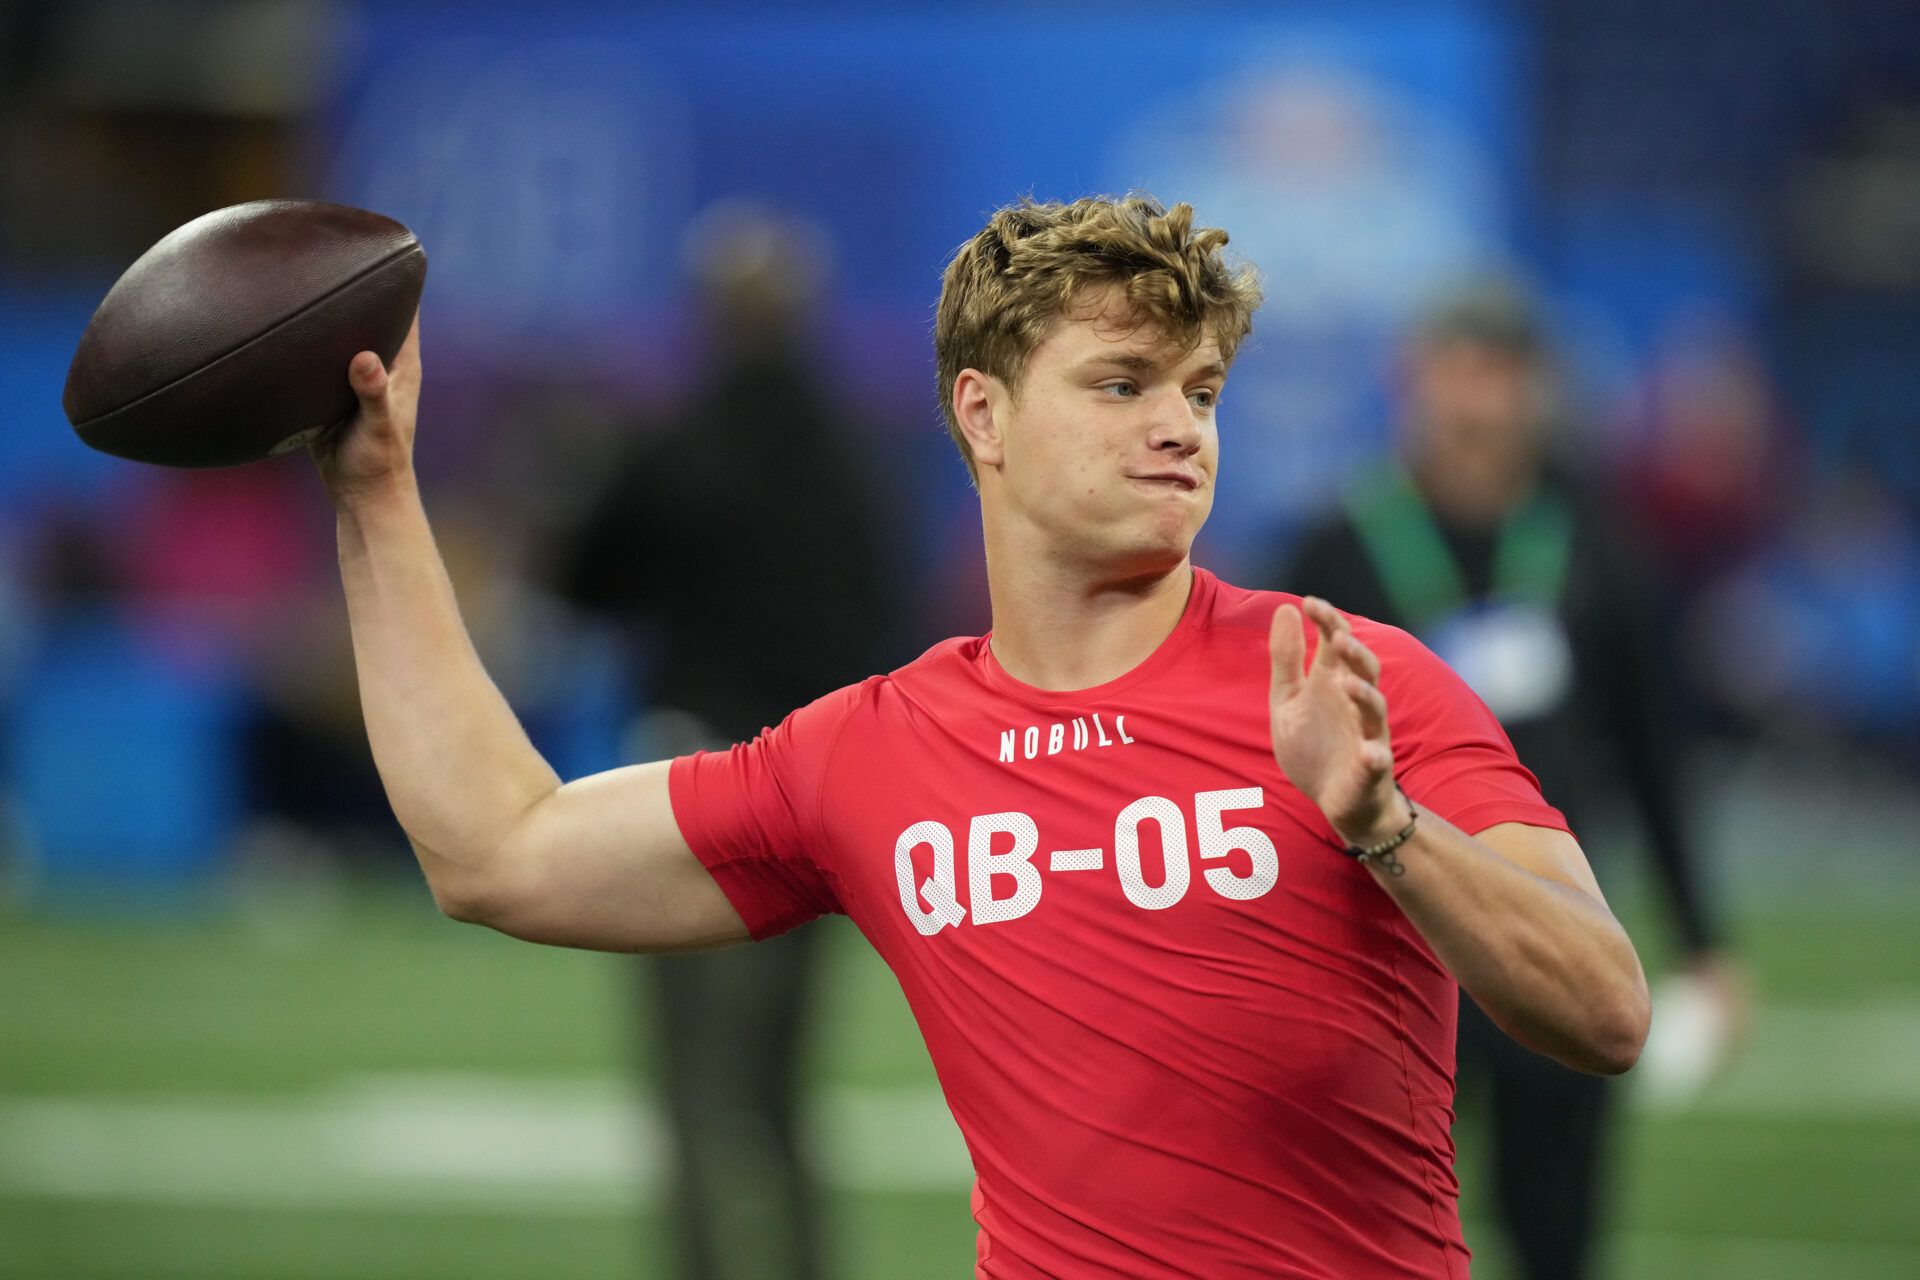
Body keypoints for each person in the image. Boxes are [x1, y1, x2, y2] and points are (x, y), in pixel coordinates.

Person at [312, 195, 1649, 1279]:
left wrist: (1385, 829)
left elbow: (1603, 1008)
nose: (1180, 426)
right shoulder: (873, 752)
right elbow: (499, 849)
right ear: (982, 413)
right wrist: (376, 494)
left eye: (1202, 389)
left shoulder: (1351, 681)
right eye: (1121, 384)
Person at [1272, 281, 1743, 1279]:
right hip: (1383, 939)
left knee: (1557, 1229)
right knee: (1362, 1232)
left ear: (1540, 388)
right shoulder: (1337, 542)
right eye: (1455, 371)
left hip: (1542, 914)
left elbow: (1654, 749)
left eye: (1500, 374)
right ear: (1408, 383)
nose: (1476, 401)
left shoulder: (1599, 539)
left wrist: (1703, 938)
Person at [555, 203, 899, 1280]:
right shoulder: (856, 451)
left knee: (696, 1092)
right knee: (783, 1096)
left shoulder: (676, 440)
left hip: (695, 793)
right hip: (816, 797)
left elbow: (581, 577)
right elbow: (885, 613)